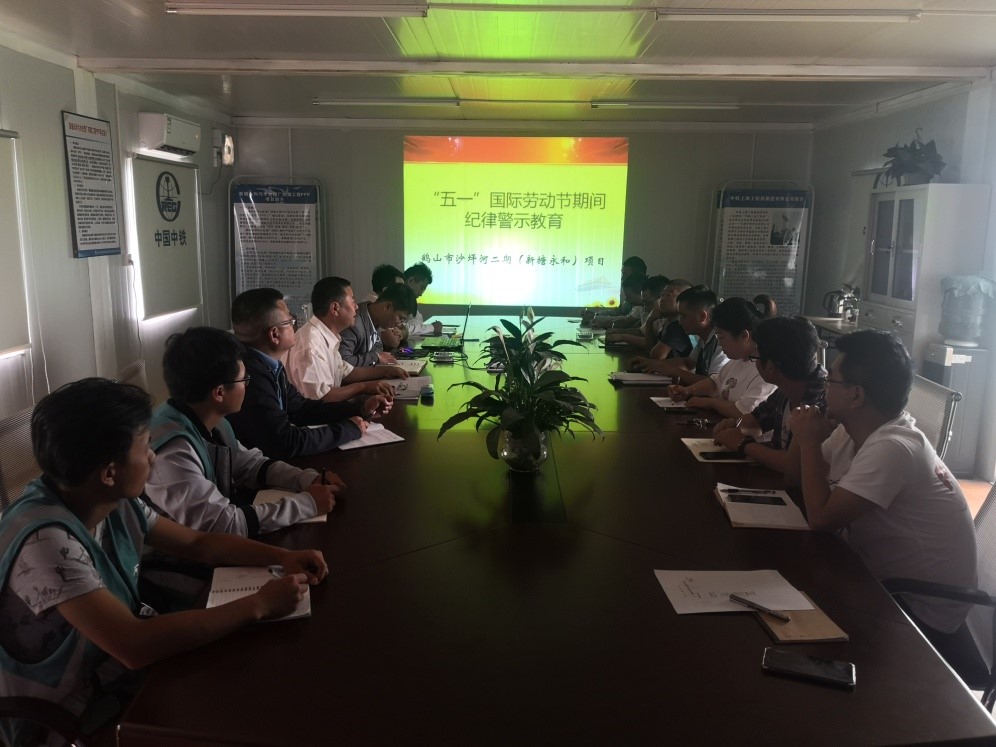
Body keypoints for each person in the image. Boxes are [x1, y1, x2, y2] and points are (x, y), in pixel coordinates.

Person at [0, 378, 328, 743]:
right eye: (145, 448)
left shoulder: (106, 498)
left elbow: (199, 543)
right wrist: (259, 605)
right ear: (109, 472)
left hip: (114, 677)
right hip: (67, 716)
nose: (153, 456)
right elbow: (133, 645)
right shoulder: (45, 544)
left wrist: (282, 557)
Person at [786, 330, 977, 643]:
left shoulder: (894, 448)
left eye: (830, 380)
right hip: (872, 574)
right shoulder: (852, 429)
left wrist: (808, 441)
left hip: (918, 609)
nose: (824, 387)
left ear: (857, 396)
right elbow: (795, 478)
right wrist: (805, 430)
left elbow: (820, 519)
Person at [145, 327, 342, 538]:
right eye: (244, 380)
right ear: (219, 393)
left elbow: (250, 466)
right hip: (176, 555)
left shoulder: (211, 419)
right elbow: (223, 524)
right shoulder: (172, 451)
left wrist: (306, 478)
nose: (248, 385)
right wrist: (307, 504)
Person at [229, 288, 392, 458]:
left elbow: (302, 409)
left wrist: (360, 408)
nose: (295, 326)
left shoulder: (269, 364)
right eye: (290, 321)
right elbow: (286, 441)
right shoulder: (249, 376)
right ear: (275, 334)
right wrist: (349, 429)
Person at [712, 316, 825, 473]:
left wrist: (742, 444)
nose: (756, 363)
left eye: (756, 357)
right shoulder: (787, 387)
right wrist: (735, 426)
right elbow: (756, 421)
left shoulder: (821, 402)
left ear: (771, 366)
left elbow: (793, 465)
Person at [287, 277, 408, 402]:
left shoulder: (327, 335)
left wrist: (386, 371)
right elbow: (321, 398)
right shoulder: (312, 344)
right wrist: (363, 387)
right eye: (352, 301)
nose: (356, 306)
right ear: (335, 308)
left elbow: (346, 372)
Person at [667, 295, 778, 418]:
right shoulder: (739, 359)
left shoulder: (764, 370)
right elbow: (715, 383)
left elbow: (744, 412)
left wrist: (711, 403)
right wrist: (688, 390)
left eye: (721, 337)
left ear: (744, 336)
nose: (719, 343)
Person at [627, 286, 728, 385]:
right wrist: (651, 363)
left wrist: (672, 371)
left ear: (702, 317)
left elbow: (713, 384)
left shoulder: (720, 341)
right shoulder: (704, 338)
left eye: (683, 317)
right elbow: (687, 363)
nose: (680, 322)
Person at [340, 282, 417, 367]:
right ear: (387, 306)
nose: (399, 324)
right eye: (400, 318)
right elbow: (343, 362)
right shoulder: (353, 323)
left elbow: (378, 348)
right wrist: (376, 357)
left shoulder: (376, 320)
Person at [604, 275, 669, 349]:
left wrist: (623, 337)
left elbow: (653, 345)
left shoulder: (671, 320)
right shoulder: (655, 316)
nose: (644, 307)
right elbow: (641, 332)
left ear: (661, 298)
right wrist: (618, 332)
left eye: (647, 303)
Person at [582, 255, 647, 323]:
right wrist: (596, 315)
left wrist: (596, 318)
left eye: (625, 274)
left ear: (638, 275)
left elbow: (626, 320)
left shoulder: (644, 300)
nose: (622, 278)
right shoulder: (631, 297)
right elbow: (618, 312)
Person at [402, 262, 443, 337]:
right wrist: (431, 327)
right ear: (411, 280)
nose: (421, 294)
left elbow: (417, 320)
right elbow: (401, 328)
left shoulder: (409, 301)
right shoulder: (396, 298)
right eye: (422, 288)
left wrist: (420, 327)